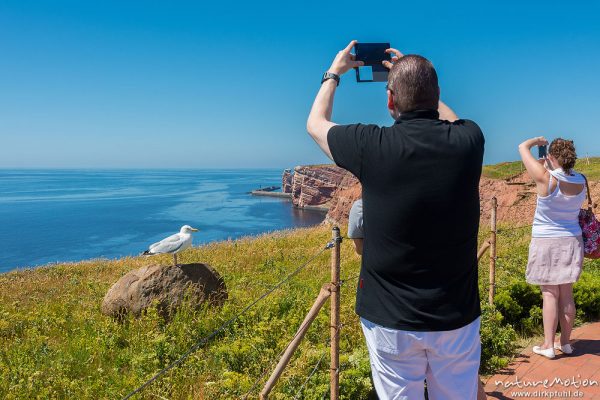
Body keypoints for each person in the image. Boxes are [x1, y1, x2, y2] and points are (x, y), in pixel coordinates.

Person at [307, 40, 485, 399]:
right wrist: (414, 75)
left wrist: (333, 74)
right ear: (435, 97)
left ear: (390, 101)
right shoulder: (469, 141)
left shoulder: (370, 145)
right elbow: (451, 119)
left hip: (390, 318)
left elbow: (316, 124)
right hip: (455, 315)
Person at [348, 199, 488, 400]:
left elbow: (360, 249)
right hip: (449, 305)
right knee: (461, 383)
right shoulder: (445, 197)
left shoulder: (362, 206)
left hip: (391, 310)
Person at [518, 137, 586, 359]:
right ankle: (565, 343)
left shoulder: (545, 178)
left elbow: (522, 148)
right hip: (572, 240)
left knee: (549, 293)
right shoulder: (581, 180)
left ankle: (548, 345)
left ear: (551, 156)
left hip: (546, 240)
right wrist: (550, 165)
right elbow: (562, 176)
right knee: (566, 293)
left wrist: (536, 141)